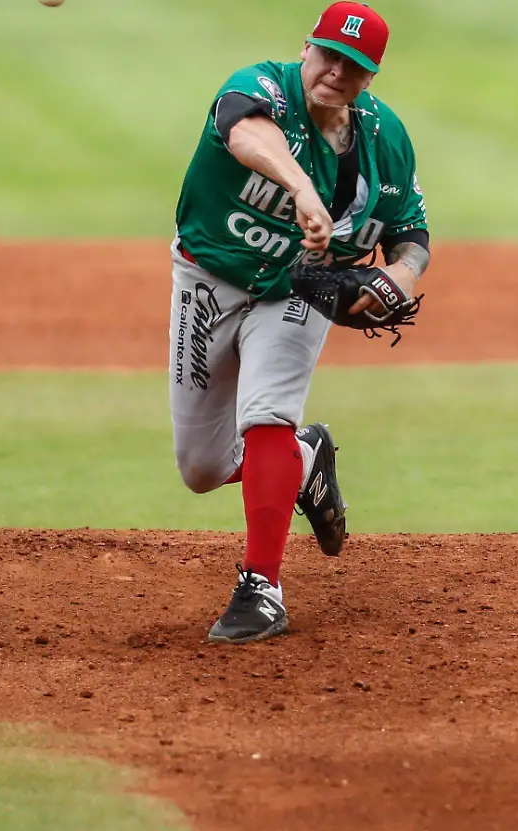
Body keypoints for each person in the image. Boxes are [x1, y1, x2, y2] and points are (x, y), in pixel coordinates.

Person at [168, 1, 430, 643]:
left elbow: (411, 236)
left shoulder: (384, 138)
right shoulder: (259, 87)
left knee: (266, 415)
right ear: (307, 48)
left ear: (370, 77)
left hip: (301, 289)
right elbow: (242, 133)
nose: (336, 72)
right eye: (330, 55)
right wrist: (301, 189)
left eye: (355, 66)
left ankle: (262, 588)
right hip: (208, 278)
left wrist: (399, 280)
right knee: (201, 468)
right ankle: (303, 461)